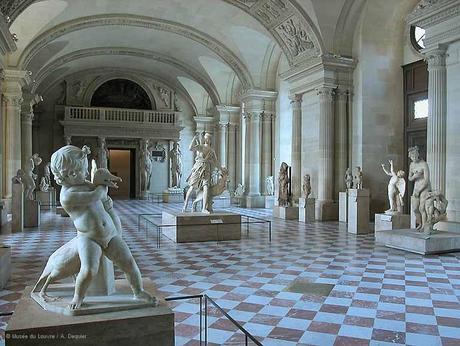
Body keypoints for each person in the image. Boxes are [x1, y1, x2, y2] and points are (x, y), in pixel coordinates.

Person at [51, 145, 153, 310]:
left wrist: (102, 185)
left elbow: (102, 197)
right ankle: (78, 296)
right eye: (83, 170)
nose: (85, 174)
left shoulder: (83, 183)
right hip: (89, 237)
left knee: (128, 262)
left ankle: (138, 291)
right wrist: (101, 183)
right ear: (70, 174)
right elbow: (96, 195)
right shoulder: (67, 195)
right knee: (89, 269)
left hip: (109, 234)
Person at [182, 132, 218, 213]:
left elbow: (215, 161)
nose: (207, 139)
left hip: (206, 169)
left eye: (209, 138)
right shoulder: (200, 147)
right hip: (198, 168)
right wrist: (194, 138)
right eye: (206, 137)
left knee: (206, 187)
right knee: (192, 187)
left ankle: (204, 208)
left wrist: (208, 160)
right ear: (204, 139)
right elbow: (190, 148)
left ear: (210, 140)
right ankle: (185, 205)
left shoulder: (212, 150)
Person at [408, 146, 431, 230]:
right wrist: (415, 176)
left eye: (414, 157)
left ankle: (425, 225)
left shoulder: (424, 164)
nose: (413, 158)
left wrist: (420, 190)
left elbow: (427, 180)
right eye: (411, 157)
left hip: (425, 187)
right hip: (416, 186)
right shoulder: (411, 165)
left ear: (417, 155)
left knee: (422, 208)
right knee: (415, 208)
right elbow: (409, 178)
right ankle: (420, 223)